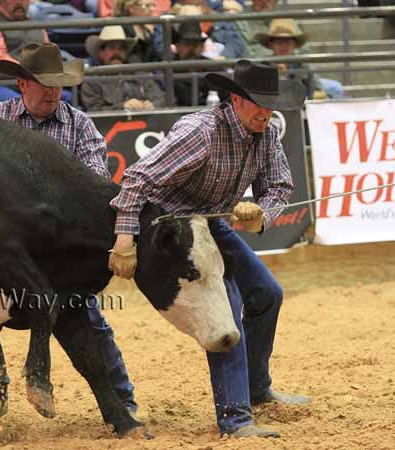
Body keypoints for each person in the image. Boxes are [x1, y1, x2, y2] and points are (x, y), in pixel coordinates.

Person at [108, 60, 310, 438]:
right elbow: (136, 178)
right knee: (226, 309)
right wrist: (123, 238)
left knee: (267, 292)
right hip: (169, 226)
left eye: (271, 104)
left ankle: (256, 389)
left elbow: (280, 186)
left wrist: (260, 213)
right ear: (236, 100)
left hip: (210, 220)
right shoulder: (201, 132)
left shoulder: (264, 133)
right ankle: (235, 419)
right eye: (258, 103)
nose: (267, 113)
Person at [0, 42, 136, 429]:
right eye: (43, 83)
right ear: (22, 84)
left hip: (56, 255)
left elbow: (95, 188)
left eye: (58, 84)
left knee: (88, 322)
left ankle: (123, 399)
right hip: (5, 253)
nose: (52, 91)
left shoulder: (79, 124)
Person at [0, 0, 49, 101]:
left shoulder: (36, 24)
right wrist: (28, 74)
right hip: (5, 83)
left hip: (39, 83)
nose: (19, 3)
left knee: (67, 97)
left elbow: (49, 52)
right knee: (23, 105)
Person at [80, 25, 165, 112]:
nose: (116, 52)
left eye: (121, 48)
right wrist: (123, 107)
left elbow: (160, 97)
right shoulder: (91, 80)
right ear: (101, 52)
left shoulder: (138, 72)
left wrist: (152, 105)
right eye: (112, 47)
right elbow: (94, 110)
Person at [255, 18, 344, 99]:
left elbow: (317, 87)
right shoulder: (263, 66)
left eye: (287, 42)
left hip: (299, 102)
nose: (283, 46)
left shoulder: (302, 63)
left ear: (295, 45)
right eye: (278, 42)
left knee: (333, 90)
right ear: (271, 45)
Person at [171, 22, 225, 107]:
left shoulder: (213, 67)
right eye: (187, 44)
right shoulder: (169, 69)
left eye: (196, 44)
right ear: (177, 46)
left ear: (202, 47)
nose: (192, 49)